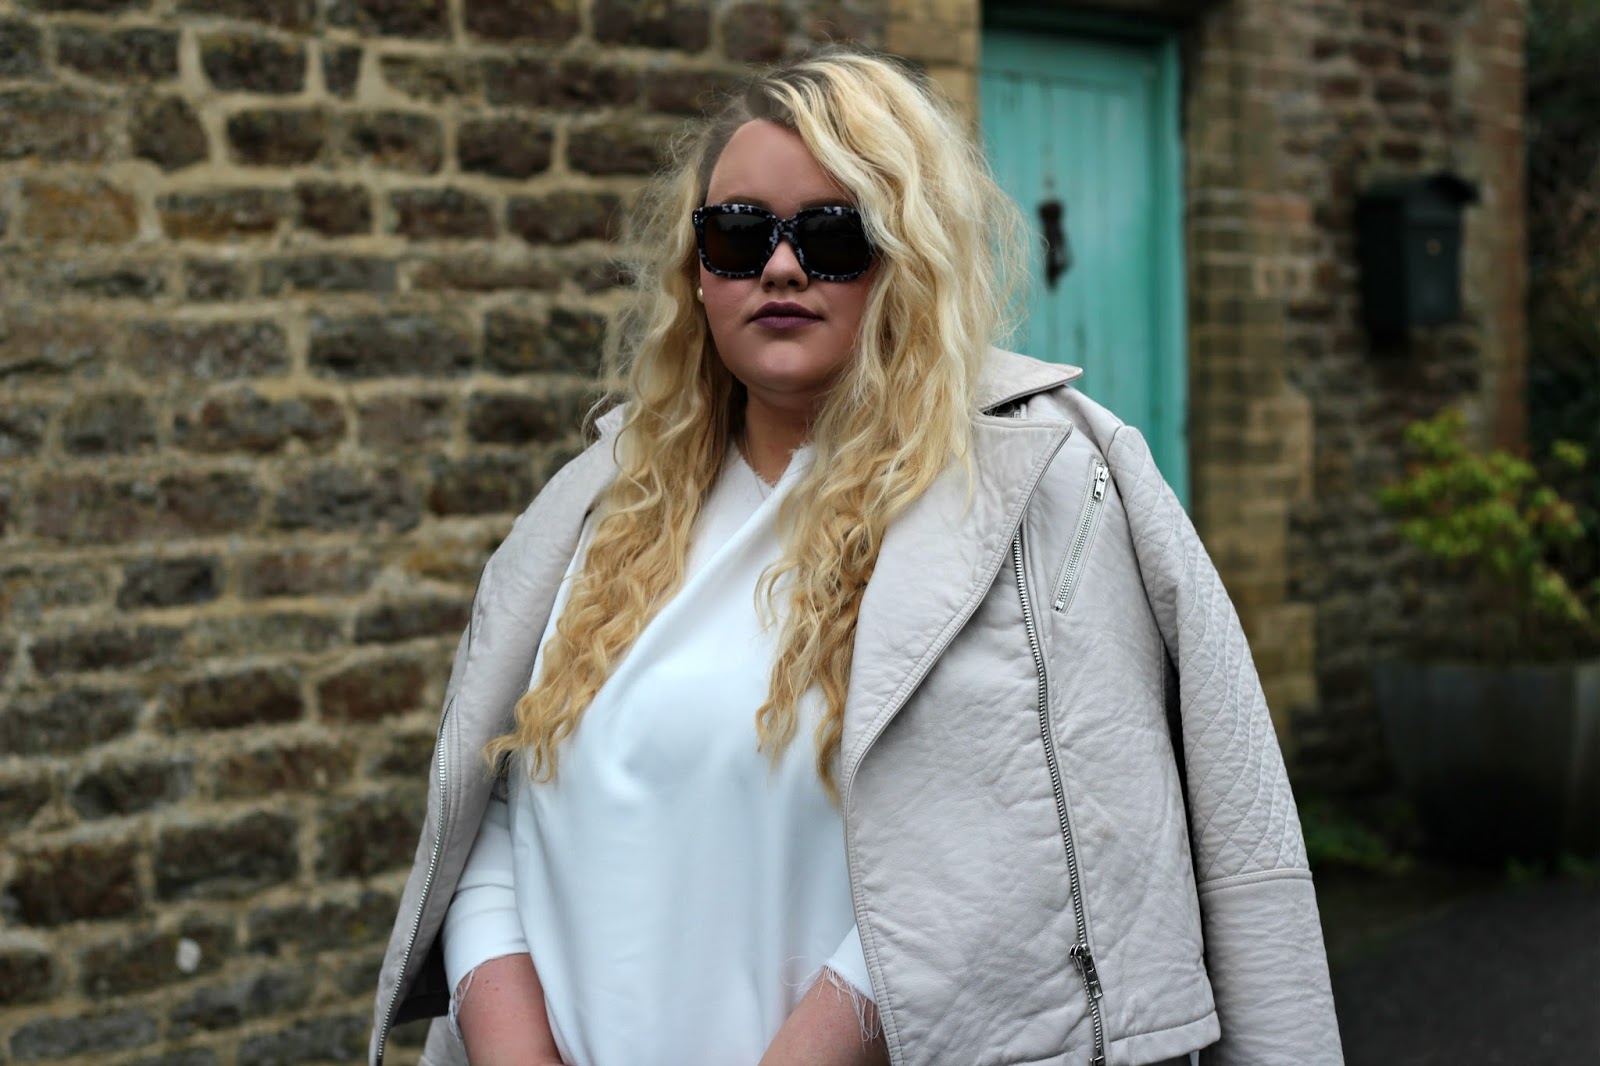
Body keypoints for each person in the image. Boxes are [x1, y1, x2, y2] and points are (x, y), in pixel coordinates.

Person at [369, 45, 1343, 1066]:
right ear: (696, 273)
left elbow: (1044, 839)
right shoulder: (601, 503)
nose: (781, 267)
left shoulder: (1037, 486)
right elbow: (498, 810)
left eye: (834, 235)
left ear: (909, 255)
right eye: (738, 234)